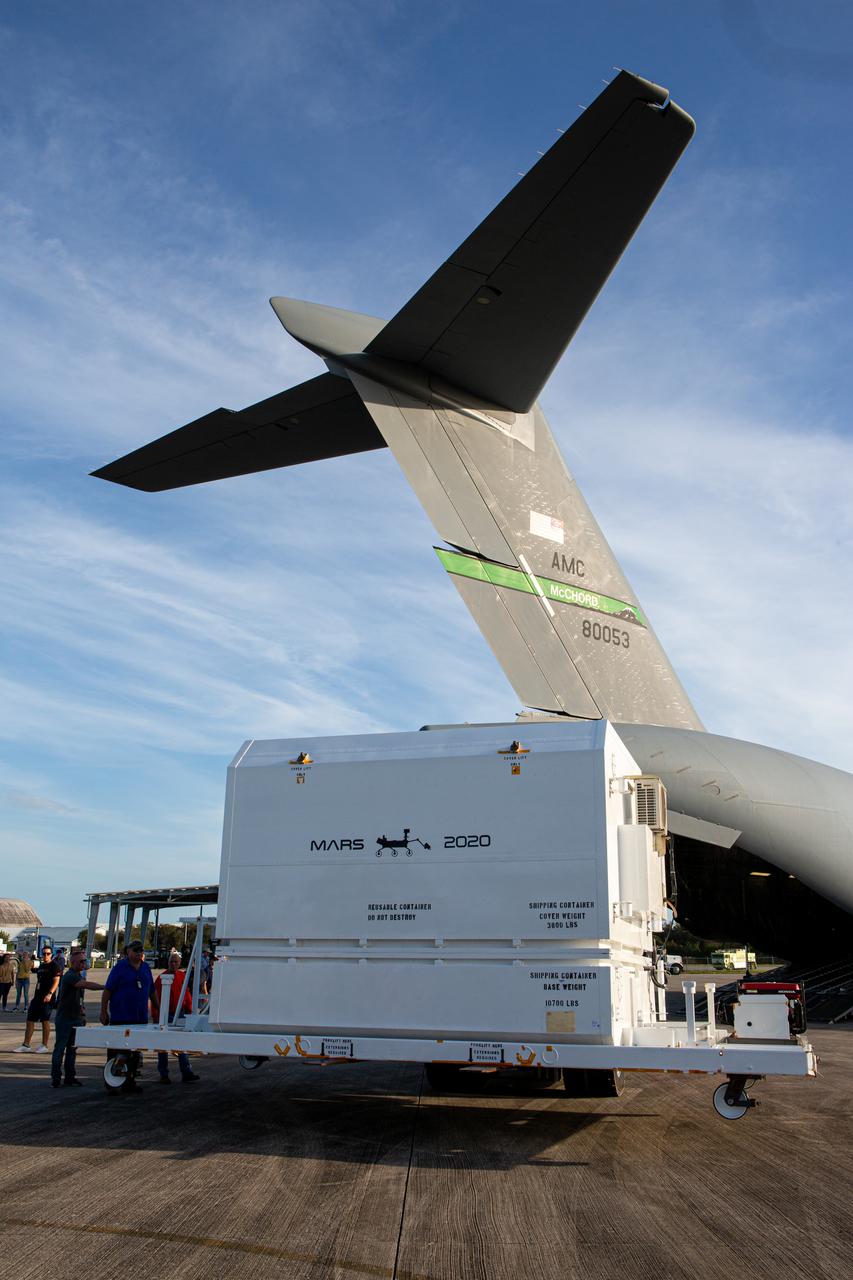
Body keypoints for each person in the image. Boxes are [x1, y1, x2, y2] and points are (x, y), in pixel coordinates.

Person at [99, 939, 155, 1093]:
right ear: (127, 952)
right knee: (117, 1051)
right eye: (135, 950)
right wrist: (103, 1011)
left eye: (140, 950)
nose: (139, 953)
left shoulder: (145, 968)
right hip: (121, 1017)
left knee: (134, 1052)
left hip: (140, 1018)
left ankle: (130, 1081)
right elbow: (108, 991)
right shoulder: (119, 968)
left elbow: (152, 991)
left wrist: (157, 1009)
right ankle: (112, 1083)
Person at [51, 949, 105, 1088]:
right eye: (81, 961)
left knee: (72, 1049)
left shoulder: (79, 975)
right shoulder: (70, 976)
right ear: (73, 962)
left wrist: (82, 1013)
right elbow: (85, 985)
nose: (84, 963)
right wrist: (105, 987)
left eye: (85, 961)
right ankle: (56, 1078)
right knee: (60, 1049)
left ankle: (70, 1077)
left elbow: (80, 998)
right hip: (65, 1018)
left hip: (76, 1017)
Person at [152, 954, 200, 1084]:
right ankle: (164, 1074)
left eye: (176, 962)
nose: (173, 964)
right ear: (168, 963)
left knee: (181, 1043)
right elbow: (155, 997)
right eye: (171, 961)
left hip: (180, 1014)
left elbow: (186, 994)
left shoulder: (182, 976)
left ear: (179, 963)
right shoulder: (161, 978)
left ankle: (186, 1072)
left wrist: (190, 1010)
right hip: (165, 1015)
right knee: (162, 1045)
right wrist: (156, 1015)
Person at [14, 946, 60, 1052]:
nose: (46, 956)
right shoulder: (41, 966)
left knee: (45, 1020)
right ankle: (26, 1045)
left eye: (48, 954)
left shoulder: (54, 966)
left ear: (51, 954)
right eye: (44, 954)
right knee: (30, 1019)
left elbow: (56, 981)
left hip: (47, 998)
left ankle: (44, 1045)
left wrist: (50, 994)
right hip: (37, 997)